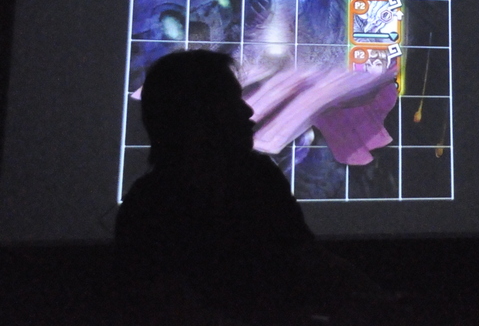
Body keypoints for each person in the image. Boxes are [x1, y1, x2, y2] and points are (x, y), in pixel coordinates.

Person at [115, 50, 390, 325]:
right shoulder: (149, 212)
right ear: (198, 115)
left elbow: (307, 257)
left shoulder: (258, 177)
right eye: (231, 100)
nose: (247, 110)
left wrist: (380, 302)